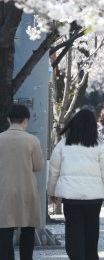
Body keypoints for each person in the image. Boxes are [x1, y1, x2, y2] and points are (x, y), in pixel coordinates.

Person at [48, 109, 104, 260]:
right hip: (94, 197)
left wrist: (51, 192)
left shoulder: (63, 145)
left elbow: (54, 171)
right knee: (92, 232)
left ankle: (76, 256)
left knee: (73, 232)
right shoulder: (101, 146)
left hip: (70, 197)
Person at [0, 105, 44, 260]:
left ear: (8, 120)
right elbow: (38, 165)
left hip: (3, 190)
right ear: (25, 121)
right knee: (28, 228)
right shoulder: (32, 140)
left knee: (4, 230)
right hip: (27, 189)